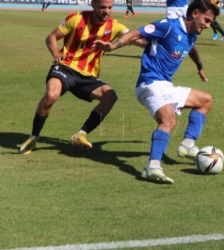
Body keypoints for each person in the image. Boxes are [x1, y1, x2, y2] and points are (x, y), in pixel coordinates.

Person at [92, 0, 220, 184]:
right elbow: (136, 33)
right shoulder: (168, 26)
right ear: (195, 13)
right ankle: (152, 168)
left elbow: (191, 48)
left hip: (165, 85)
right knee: (169, 120)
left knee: (205, 100)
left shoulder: (192, 35)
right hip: (149, 83)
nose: (208, 25)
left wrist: (199, 66)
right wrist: (112, 47)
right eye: (206, 20)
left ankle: (188, 144)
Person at [19, 0, 145, 155]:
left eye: (110, 8)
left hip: (88, 76)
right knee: (51, 95)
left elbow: (136, 39)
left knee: (110, 96)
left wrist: (160, 41)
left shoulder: (115, 26)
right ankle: (34, 137)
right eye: (102, 7)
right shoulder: (76, 18)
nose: (107, 11)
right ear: (93, 5)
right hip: (66, 67)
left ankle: (81, 134)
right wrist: (56, 54)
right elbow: (51, 37)